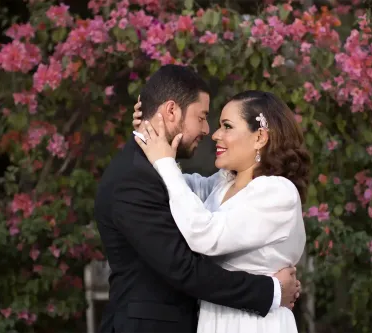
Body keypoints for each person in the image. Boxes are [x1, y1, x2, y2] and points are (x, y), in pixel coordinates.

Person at [94, 65, 301, 333]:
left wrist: (159, 151)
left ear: (259, 137)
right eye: (204, 118)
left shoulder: (276, 192)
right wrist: (272, 290)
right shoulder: (149, 179)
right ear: (171, 111)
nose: (211, 132)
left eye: (226, 126)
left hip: (251, 323)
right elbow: (184, 262)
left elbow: (196, 221)